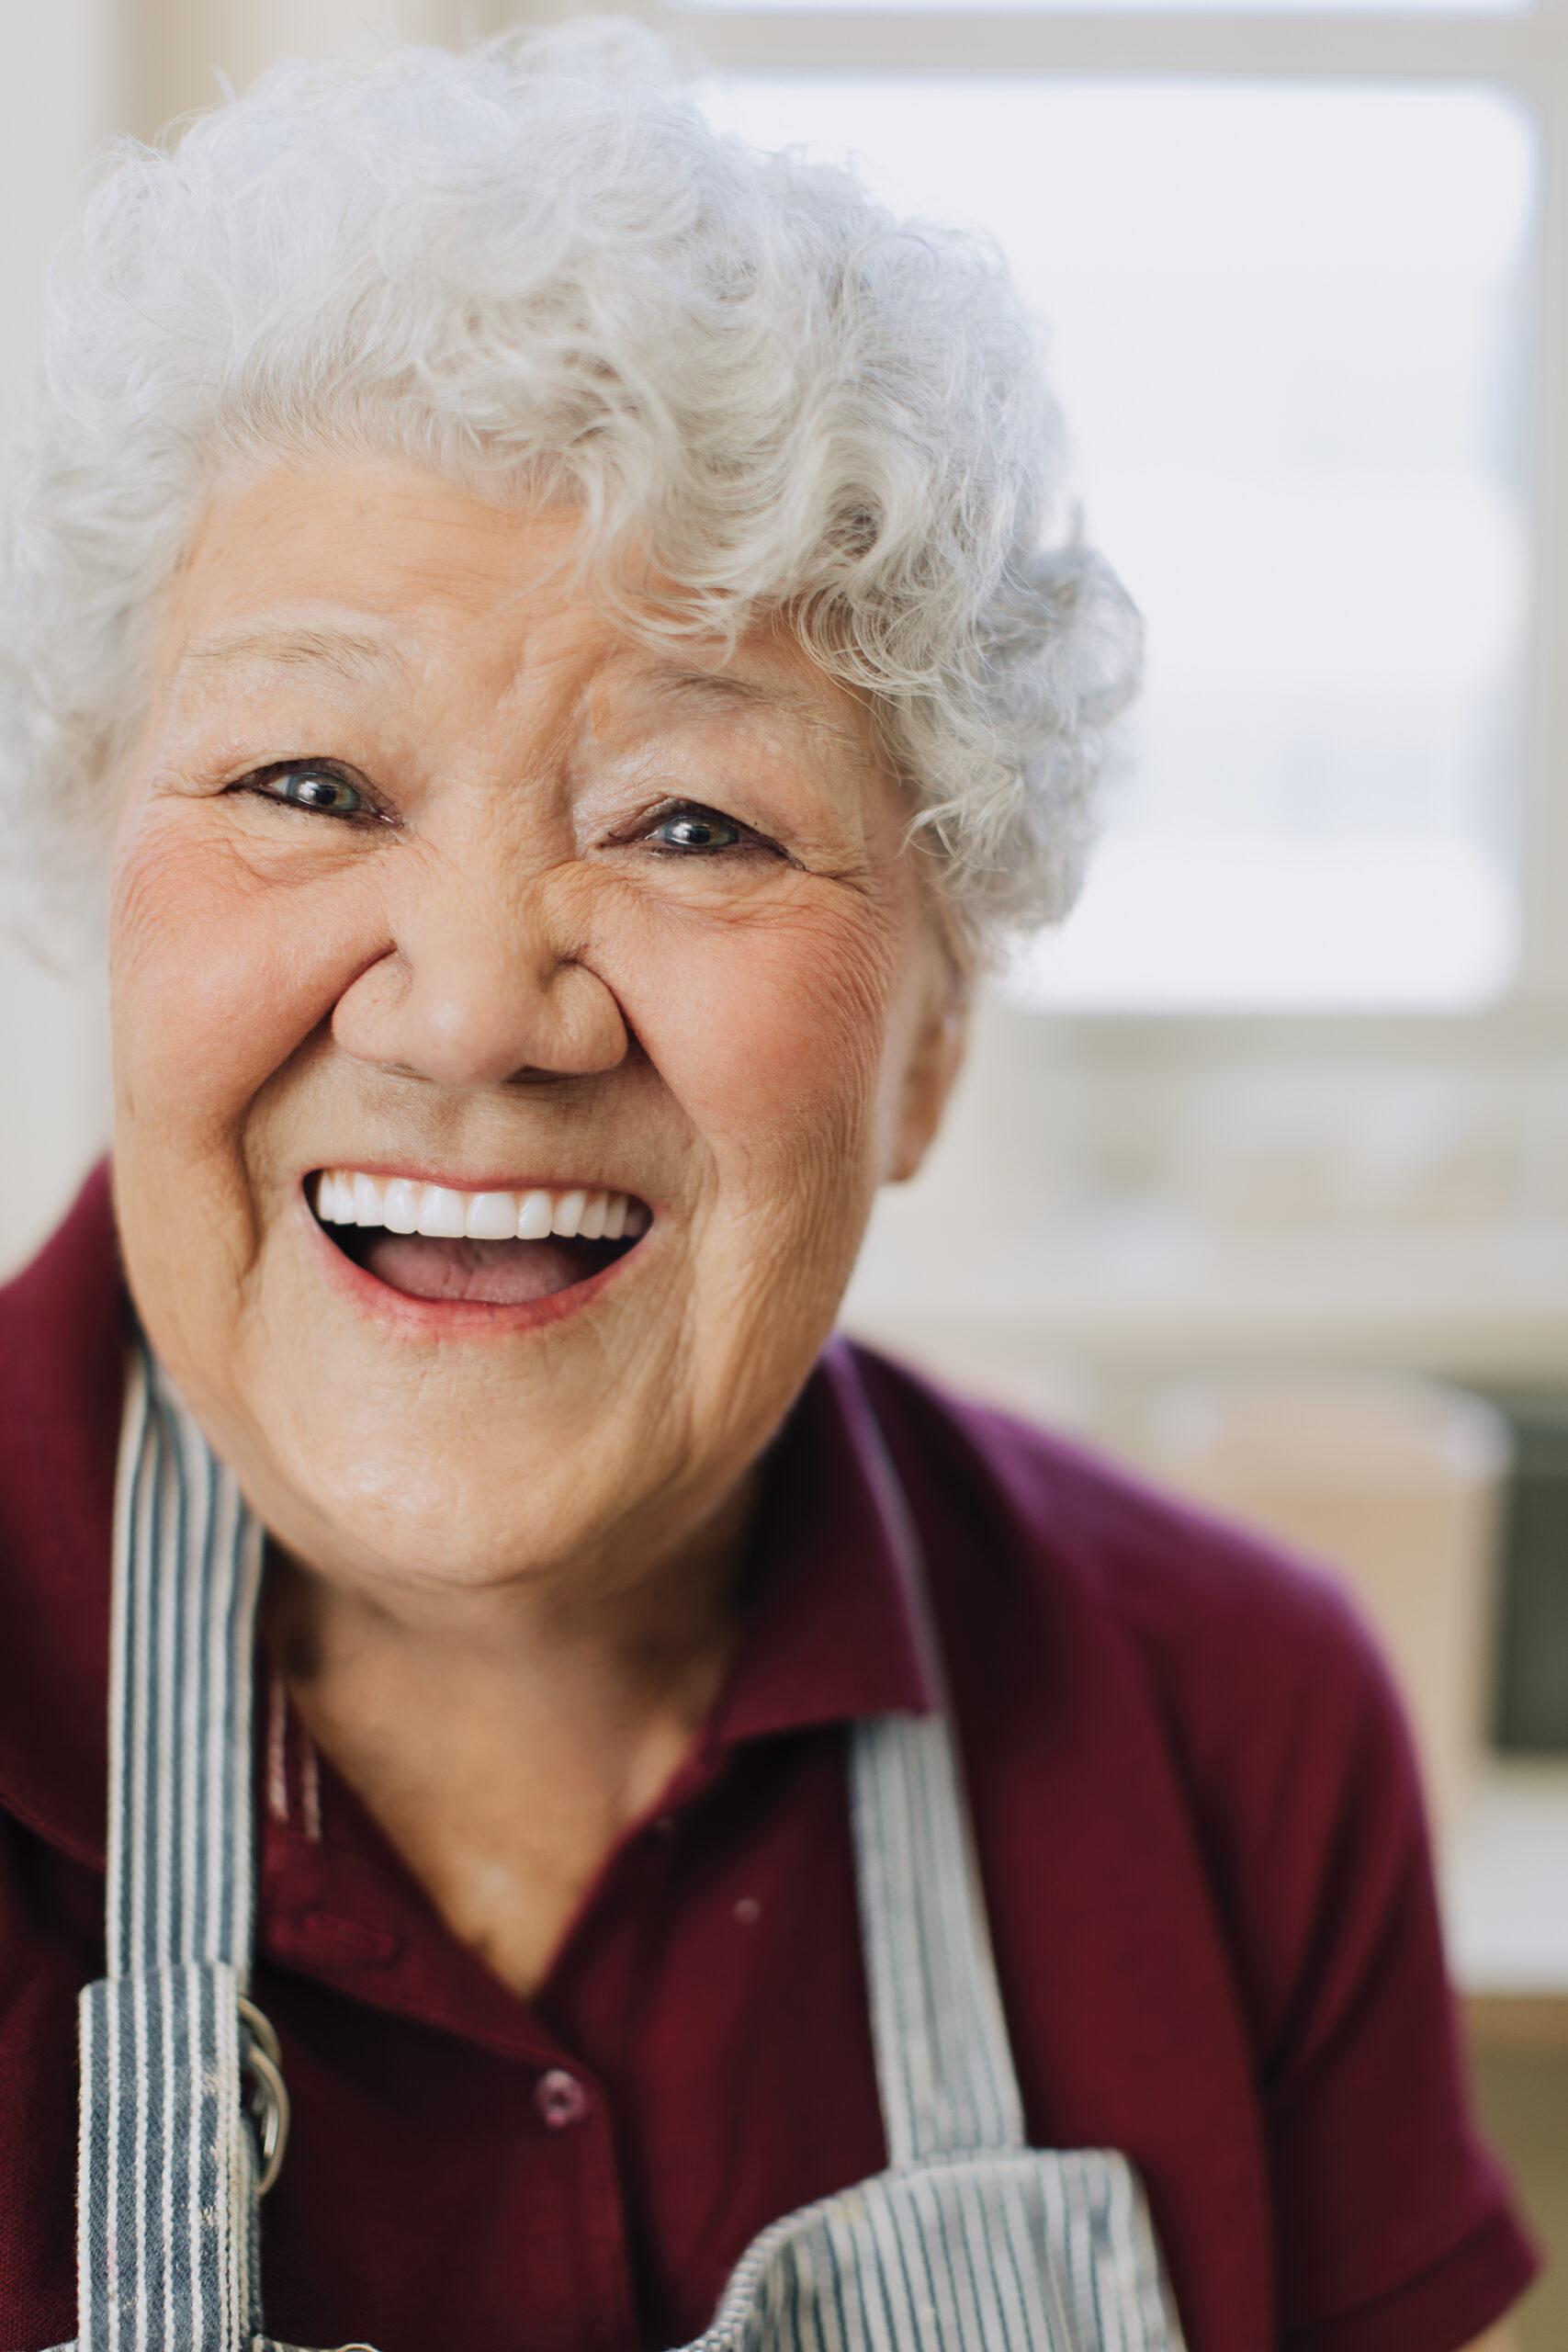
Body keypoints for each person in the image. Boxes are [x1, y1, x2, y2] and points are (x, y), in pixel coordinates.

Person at [0, 25, 1536, 2352]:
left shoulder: (1234, 1724)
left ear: (929, 1043)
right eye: (309, 778)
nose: (475, 1004)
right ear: (107, 884)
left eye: (693, 823)